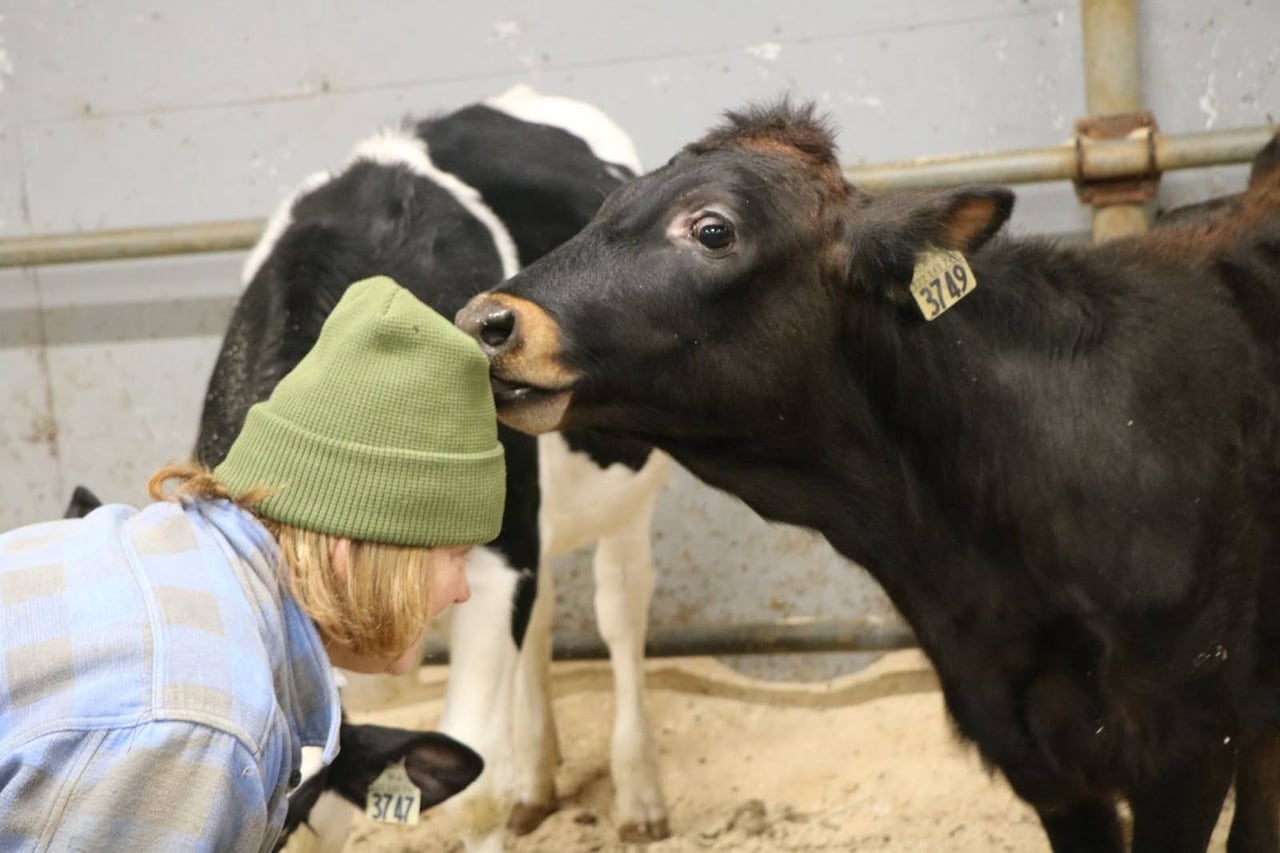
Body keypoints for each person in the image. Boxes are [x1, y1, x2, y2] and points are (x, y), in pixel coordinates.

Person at [0, 276, 506, 851]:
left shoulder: (136, 551)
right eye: (455, 554)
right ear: (360, 547)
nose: (463, 590)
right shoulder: (201, 724)